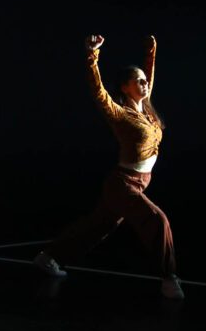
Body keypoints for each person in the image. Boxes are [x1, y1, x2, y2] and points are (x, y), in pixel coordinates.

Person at [34, 34, 184, 299]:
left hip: (137, 182)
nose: (145, 82)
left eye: (144, 79)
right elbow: (98, 92)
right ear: (125, 87)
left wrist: (151, 52)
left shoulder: (147, 112)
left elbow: (150, 75)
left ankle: (49, 257)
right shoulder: (119, 114)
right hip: (123, 184)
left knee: (96, 227)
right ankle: (169, 277)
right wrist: (92, 56)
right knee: (157, 221)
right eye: (138, 80)